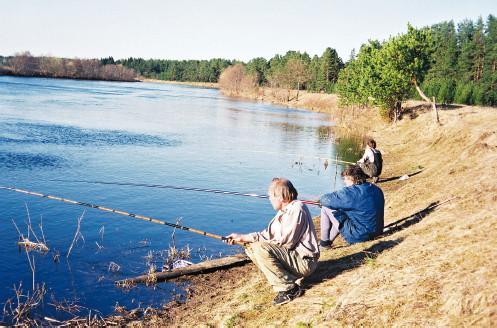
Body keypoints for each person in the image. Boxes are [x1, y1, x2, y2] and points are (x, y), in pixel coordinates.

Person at [225, 178, 320, 306]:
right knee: (251, 247)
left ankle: (289, 289)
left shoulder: (297, 208)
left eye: (271, 196)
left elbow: (286, 241)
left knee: (260, 248)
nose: (269, 199)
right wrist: (242, 238)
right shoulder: (283, 211)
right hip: (294, 259)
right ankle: (285, 279)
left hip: (305, 262)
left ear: (280, 197)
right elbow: (266, 235)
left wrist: (262, 245)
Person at [319, 165, 384, 249]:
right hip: (377, 231)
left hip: (359, 236)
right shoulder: (376, 188)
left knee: (325, 207)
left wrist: (321, 201)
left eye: (345, 179)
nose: (344, 182)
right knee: (340, 211)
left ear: (352, 179)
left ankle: (324, 244)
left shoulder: (349, 193)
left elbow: (325, 199)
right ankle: (328, 242)